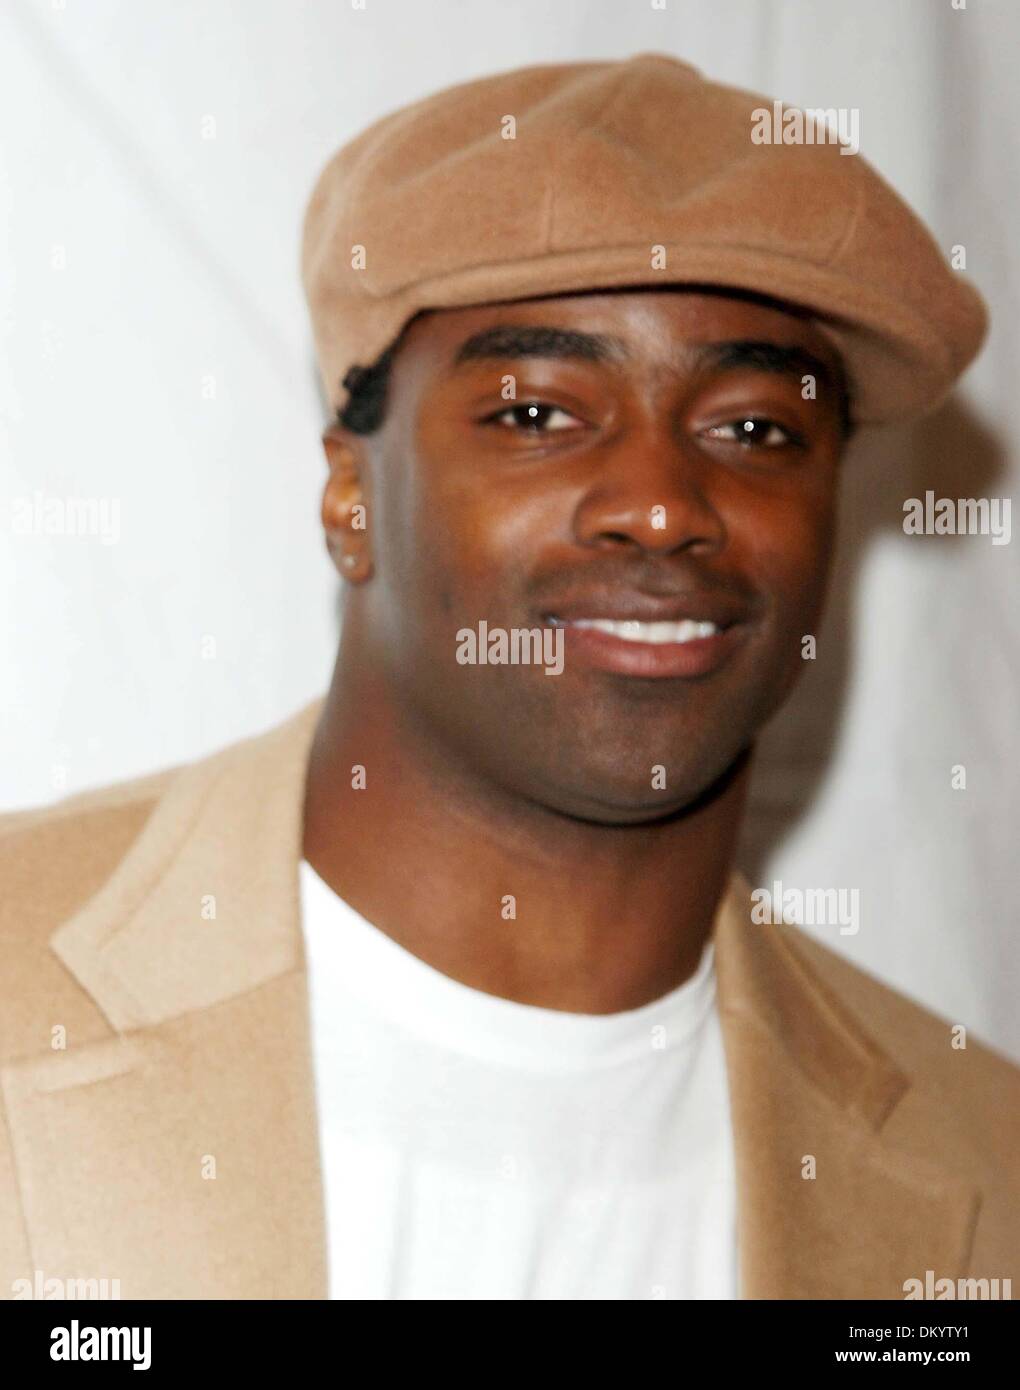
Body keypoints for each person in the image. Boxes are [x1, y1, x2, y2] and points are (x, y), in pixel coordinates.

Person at [2, 53, 1017, 1302]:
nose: (661, 505)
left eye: (755, 428)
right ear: (349, 496)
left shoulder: (986, 1165)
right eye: (536, 413)